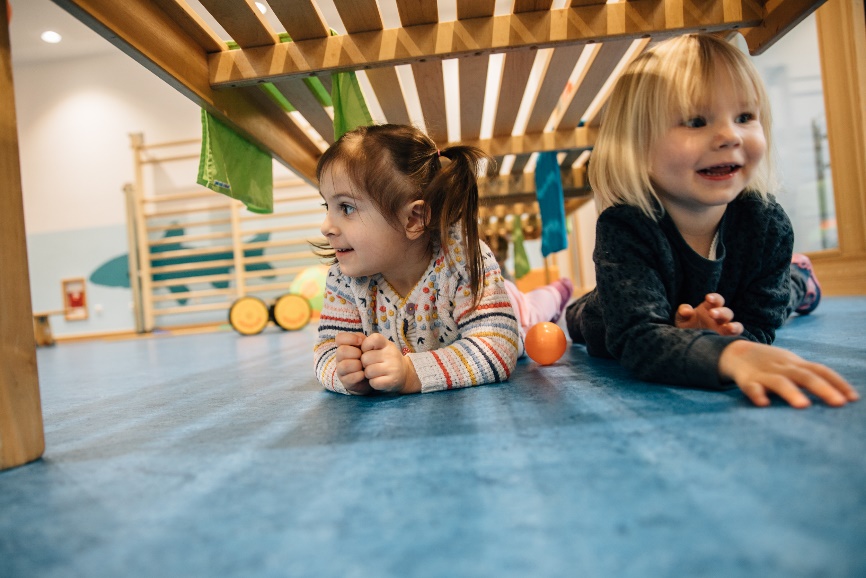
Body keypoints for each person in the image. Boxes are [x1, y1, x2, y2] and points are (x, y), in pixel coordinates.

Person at [565, 33, 858, 408]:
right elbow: (636, 338)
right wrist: (723, 353)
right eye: (696, 120)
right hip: (621, 307)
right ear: (636, 146)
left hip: (730, 296)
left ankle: (800, 278)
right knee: (584, 320)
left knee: (783, 299)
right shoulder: (626, 226)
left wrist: (724, 337)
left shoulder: (767, 224)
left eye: (745, 117)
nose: (729, 135)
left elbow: (759, 325)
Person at [313, 124, 571, 395]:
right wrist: (344, 374)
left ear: (414, 219)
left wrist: (412, 373)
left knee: (534, 307)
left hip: (506, 306)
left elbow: (498, 345)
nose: (326, 226)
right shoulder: (344, 278)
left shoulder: (462, 261)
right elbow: (326, 350)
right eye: (326, 206)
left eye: (346, 207)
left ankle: (559, 290)